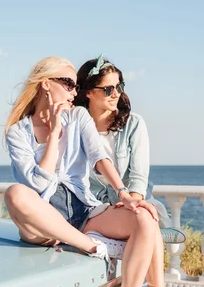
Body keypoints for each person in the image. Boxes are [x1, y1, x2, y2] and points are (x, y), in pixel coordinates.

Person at [3, 56, 187, 287]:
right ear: (45, 84)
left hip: (84, 211)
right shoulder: (18, 132)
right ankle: (95, 247)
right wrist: (52, 137)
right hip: (45, 222)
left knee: (144, 218)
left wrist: (124, 193)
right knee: (15, 194)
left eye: (76, 85)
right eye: (68, 83)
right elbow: (37, 185)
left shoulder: (78, 117)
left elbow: (99, 159)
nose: (74, 91)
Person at [73, 54, 186, 244]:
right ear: (88, 92)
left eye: (119, 87)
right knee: (145, 230)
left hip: (132, 201)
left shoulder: (134, 124)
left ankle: (151, 234)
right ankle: (155, 234)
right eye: (108, 89)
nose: (116, 94)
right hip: (93, 207)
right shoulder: (75, 127)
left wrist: (131, 206)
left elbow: (138, 177)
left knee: (142, 221)